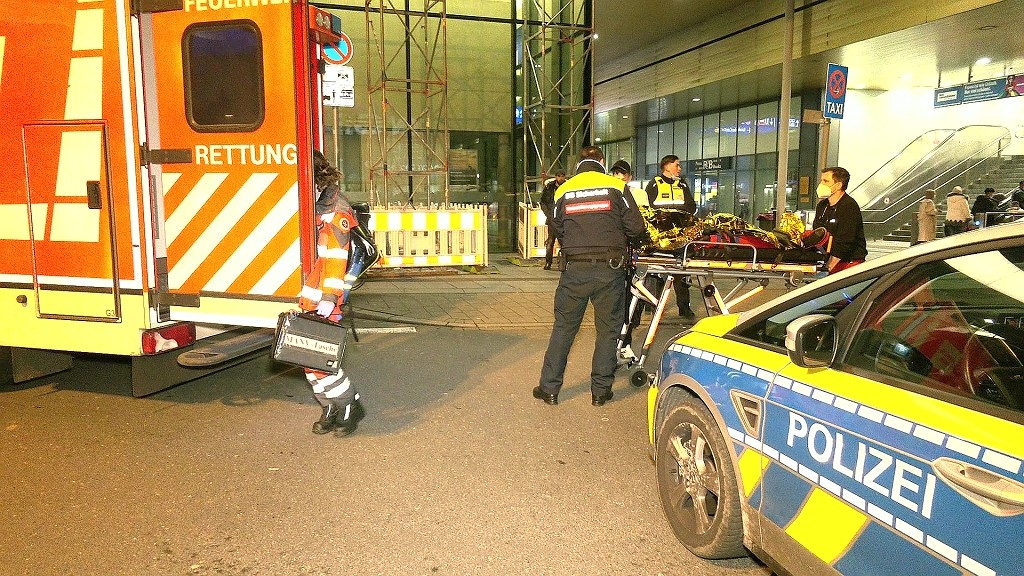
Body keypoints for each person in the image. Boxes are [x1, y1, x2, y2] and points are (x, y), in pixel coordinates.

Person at [534, 146, 646, 407]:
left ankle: (549, 389)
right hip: (610, 269)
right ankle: (600, 391)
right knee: (607, 331)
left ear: (579, 163)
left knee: (563, 328)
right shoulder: (616, 187)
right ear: (602, 162)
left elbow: (557, 224)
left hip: (574, 270)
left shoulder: (564, 189)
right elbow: (635, 227)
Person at [299, 151, 367, 437]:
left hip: (324, 298)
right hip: (310, 295)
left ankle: (350, 405)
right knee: (306, 357)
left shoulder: (334, 209)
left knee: (321, 358)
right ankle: (329, 405)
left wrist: (328, 298)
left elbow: (336, 257)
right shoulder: (314, 203)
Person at [644, 154, 696, 320]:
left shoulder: (682, 184)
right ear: (667, 166)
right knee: (657, 272)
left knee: (682, 272)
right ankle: (653, 305)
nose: (679, 168)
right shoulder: (654, 184)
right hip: (661, 238)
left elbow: (691, 206)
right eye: (676, 165)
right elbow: (647, 208)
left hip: (679, 237)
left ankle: (684, 308)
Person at [812, 166, 867, 274]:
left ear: (838, 185)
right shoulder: (823, 206)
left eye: (825, 181)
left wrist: (828, 269)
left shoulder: (848, 206)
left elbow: (845, 241)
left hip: (847, 263)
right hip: (827, 260)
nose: (821, 184)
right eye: (821, 180)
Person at [540, 171, 567, 270]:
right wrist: (548, 214)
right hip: (552, 218)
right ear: (556, 177)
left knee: (563, 242)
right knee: (550, 241)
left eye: (562, 176)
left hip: (563, 218)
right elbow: (543, 202)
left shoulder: (567, 186)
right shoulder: (549, 187)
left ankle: (563, 262)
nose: (561, 178)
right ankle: (548, 262)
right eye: (559, 176)